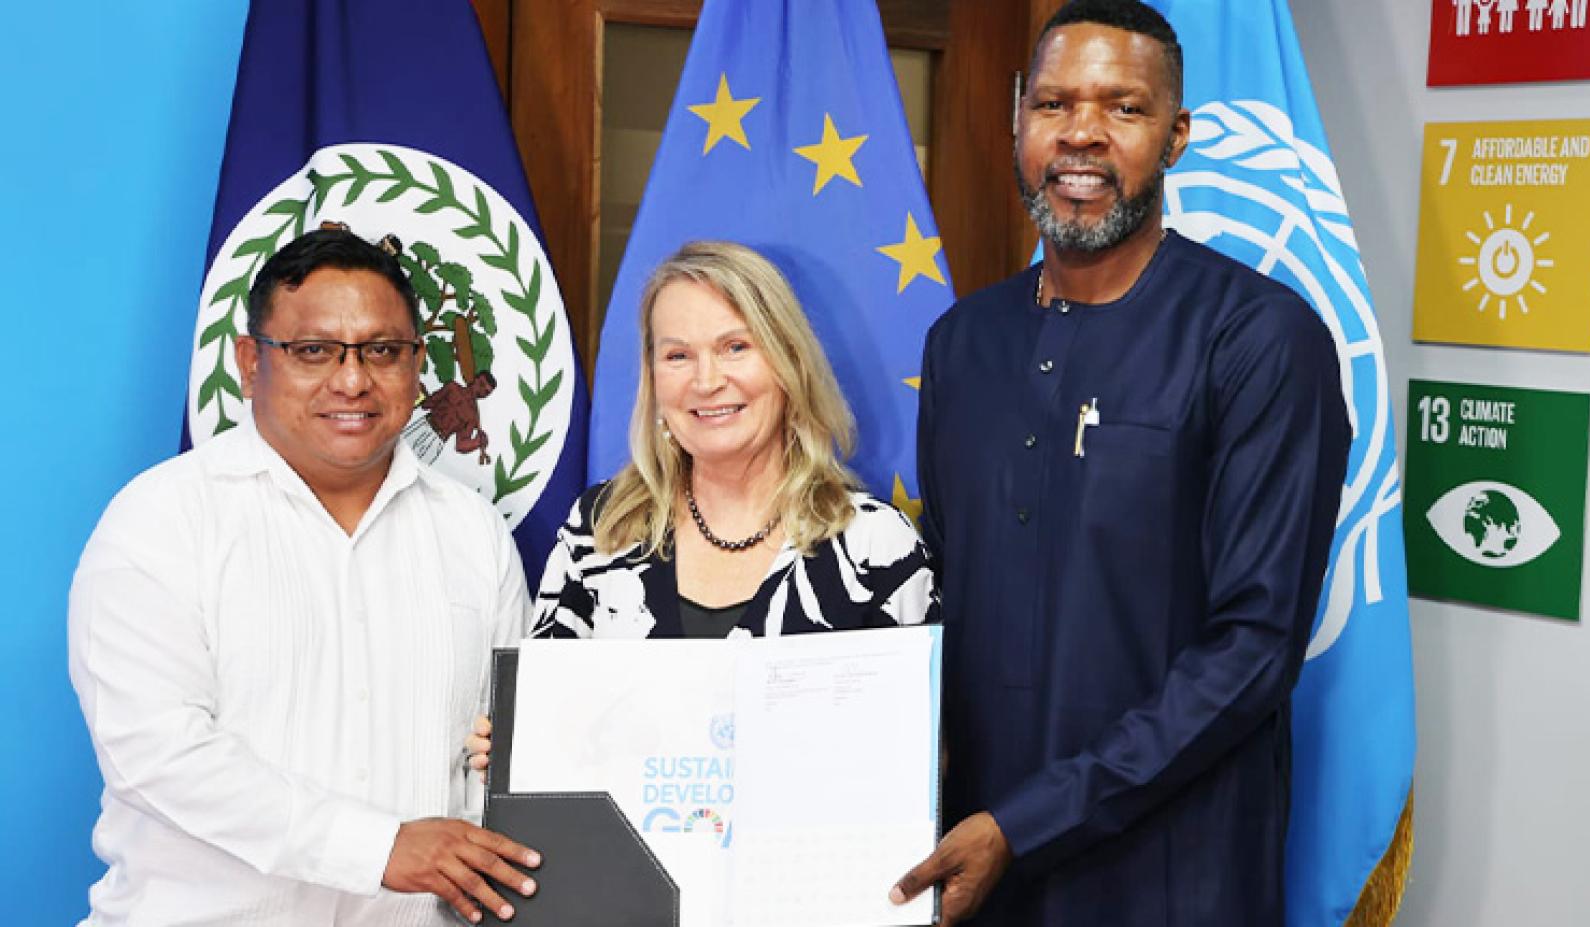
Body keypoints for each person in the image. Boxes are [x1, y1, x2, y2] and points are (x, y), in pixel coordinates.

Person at [890, 2, 1352, 926]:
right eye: (1055, 103)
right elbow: (932, 600)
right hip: (975, 869)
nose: (1082, 135)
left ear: (1176, 135)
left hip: (1172, 877)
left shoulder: (1260, 339)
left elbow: (1253, 651)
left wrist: (1029, 821)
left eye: (1124, 109)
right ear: (1017, 119)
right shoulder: (960, 343)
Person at [68, 229, 540, 926]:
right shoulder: (160, 520)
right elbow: (158, 754)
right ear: (249, 362)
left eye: (383, 351)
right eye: (313, 351)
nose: (352, 380)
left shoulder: (474, 535)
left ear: (418, 366)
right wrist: (380, 847)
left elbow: (505, 760)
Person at [465, 239, 938, 767]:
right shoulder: (597, 532)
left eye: (736, 347)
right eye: (677, 356)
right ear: (654, 378)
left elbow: (917, 758)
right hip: (618, 851)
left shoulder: (874, 544)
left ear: (787, 363)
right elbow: (551, 730)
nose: (707, 381)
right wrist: (514, 747)